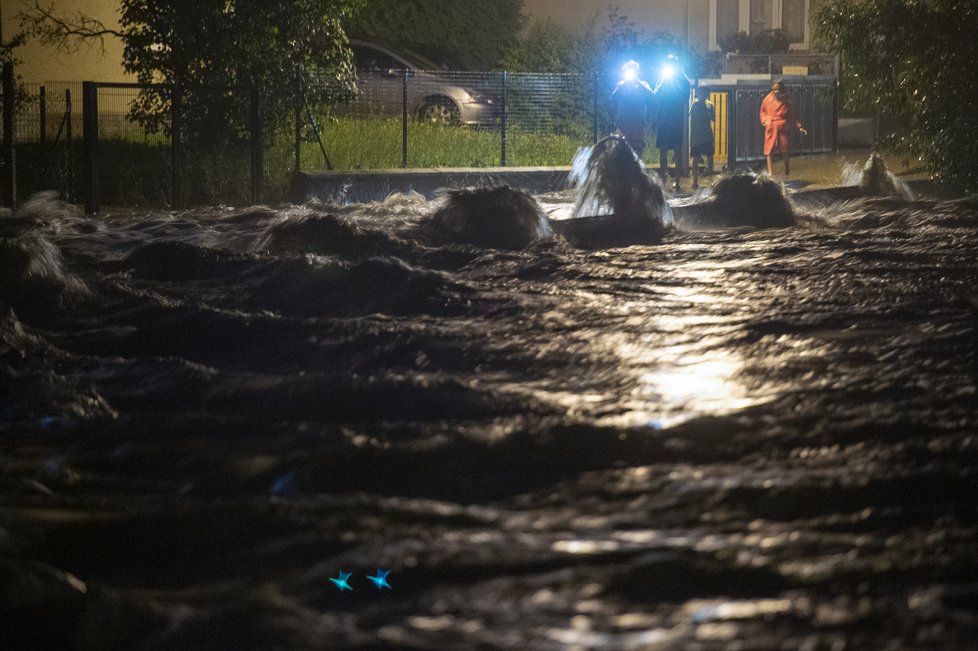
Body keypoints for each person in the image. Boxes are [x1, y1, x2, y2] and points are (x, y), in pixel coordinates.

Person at [653, 55, 692, 190]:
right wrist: (663, 83)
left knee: (677, 149)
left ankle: (677, 181)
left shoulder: (683, 80)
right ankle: (663, 179)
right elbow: (656, 95)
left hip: (675, 119)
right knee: (663, 149)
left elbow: (685, 97)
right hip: (664, 119)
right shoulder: (663, 80)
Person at [759, 79, 807, 177]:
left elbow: (792, 116)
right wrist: (766, 122)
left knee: (785, 150)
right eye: (773, 89)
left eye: (777, 89)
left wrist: (799, 127)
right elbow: (762, 112)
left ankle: (786, 170)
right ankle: (770, 174)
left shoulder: (787, 102)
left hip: (782, 128)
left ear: (782, 89)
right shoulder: (767, 99)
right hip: (771, 128)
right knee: (768, 151)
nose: (775, 92)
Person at [612, 60, 655, 158]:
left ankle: (637, 172)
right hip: (624, 123)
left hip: (638, 124)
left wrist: (638, 83)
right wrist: (626, 83)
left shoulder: (643, 84)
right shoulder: (621, 84)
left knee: (637, 151)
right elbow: (613, 96)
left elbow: (652, 96)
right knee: (622, 151)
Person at [688, 86, 715, 189]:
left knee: (709, 156)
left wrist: (707, 114)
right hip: (697, 135)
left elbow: (713, 118)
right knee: (696, 157)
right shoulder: (694, 104)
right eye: (702, 92)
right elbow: (691, 115)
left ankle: (711, 179)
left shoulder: (710, 105)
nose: (704, 94)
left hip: (706, 134)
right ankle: (695, 181)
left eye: (706, 92)